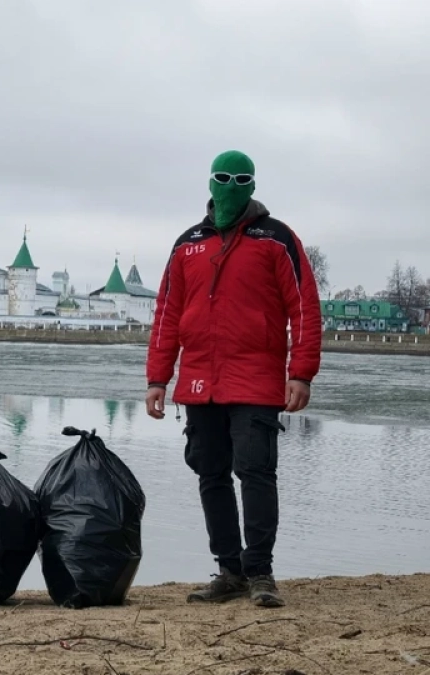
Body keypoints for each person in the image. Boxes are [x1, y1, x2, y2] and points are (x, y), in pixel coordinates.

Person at [144, 150, 323, 608]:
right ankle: (229, 570)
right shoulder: (188, 244)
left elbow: (303, 306)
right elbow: (166, 313)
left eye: (241, 178)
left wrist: (300, 373)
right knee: (210, 474)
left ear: (253, 185)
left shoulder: (277, 238)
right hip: (200, 383)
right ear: (210, 182)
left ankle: (260, 571)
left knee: (257, 473)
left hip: (258, 381)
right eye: (223, 177)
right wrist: (158, 378)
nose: (231, 184)